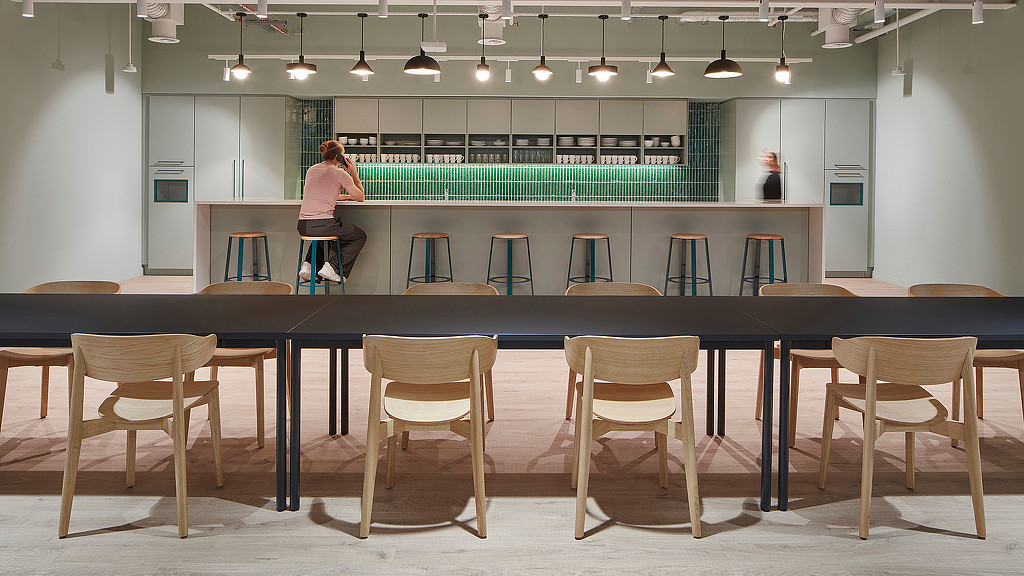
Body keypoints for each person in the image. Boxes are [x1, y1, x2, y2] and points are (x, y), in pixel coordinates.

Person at [297, 140, 367, 283]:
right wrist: (353, 172)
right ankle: (333, 267)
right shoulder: (340, 173)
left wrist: (346, 197)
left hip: (303, 226)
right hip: (322, 225)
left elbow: (325, 193)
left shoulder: (312, 169)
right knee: (360, 236)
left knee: (324, 237)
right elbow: (360, 197)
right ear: (338, 157)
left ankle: (309, 266)